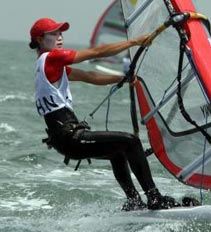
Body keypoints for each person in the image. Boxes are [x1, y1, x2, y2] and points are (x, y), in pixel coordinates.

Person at [29, 17, 181, 211]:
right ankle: (155, 197)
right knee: (131, 142)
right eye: (54, 33)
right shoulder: (52, 58)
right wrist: (134, 41)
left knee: (117, 151)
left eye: (61, 33)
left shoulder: (48, 66)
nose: (60, 37)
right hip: (70, 137)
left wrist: (122, 78)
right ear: (40, 39)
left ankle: (134, 202)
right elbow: (96, 52)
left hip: (64, 138)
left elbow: (89, 76)